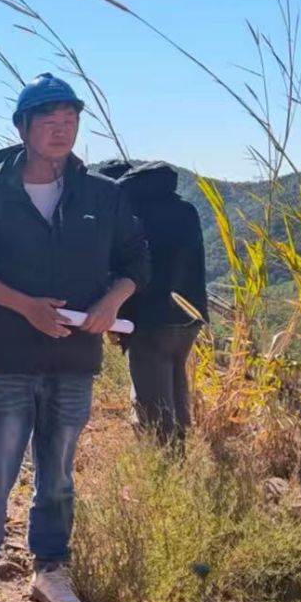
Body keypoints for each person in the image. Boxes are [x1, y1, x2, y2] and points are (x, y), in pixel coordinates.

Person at [0, 75, 149, 602]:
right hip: (10, 353)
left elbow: (136, 259)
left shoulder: (102, 195)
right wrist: (25, 306)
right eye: (49, 121)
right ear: (22, 128)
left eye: (70, 120)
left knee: (57, 473)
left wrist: (112, 302)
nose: (62, 130)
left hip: (75, 357)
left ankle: (50, 570)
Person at [97, 160, 208, 446]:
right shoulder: (184, 208)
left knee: (152, 397)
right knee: (176, 377)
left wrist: (115, 317)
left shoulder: (127, 213)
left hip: (148, 316)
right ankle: (180, 445)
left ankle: (162, 454)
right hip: (189, 312)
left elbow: (123, 270)